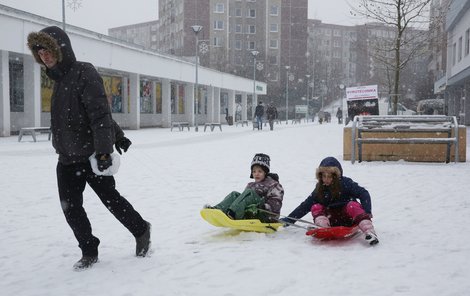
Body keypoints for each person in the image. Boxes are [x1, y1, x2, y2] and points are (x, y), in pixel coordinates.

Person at [27, 26, 151, 270]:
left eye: (48, 50)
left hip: (91, 155)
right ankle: (88, 250)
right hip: (66, 158)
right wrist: (118, 134)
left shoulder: (84, 72)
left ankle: (141, 229)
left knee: (111, 200)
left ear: (60, 49)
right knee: (70, 208)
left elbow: (99, 114)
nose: (44, 56)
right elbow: (86, 113)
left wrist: (105, 149)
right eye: (40, 52)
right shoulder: (58, 81)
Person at [281, 157, 379, 245]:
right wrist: (289, 220)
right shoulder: (320, 188)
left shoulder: (346, 183)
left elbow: (363, 193)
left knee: (352, 205)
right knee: (316, 207)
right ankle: (323, 227)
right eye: (324, 176)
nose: (326, 179)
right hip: (331, 219)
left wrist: (367, 211)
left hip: (348, 218)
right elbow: (306, 205)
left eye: (329, 176)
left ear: (336, 176)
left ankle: (369, 232)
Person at [205, 153, 284, 222]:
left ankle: (233, 213)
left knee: (249, 193)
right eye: (254, 171)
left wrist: (261, 207)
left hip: (266, 216)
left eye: (260, 171)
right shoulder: (251, 185)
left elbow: (276, 204)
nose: (256, 174)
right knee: (235, 194)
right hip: (250, 213)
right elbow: (243, 200)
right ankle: (218, 211)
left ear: (265, 173)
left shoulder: (274, 185)